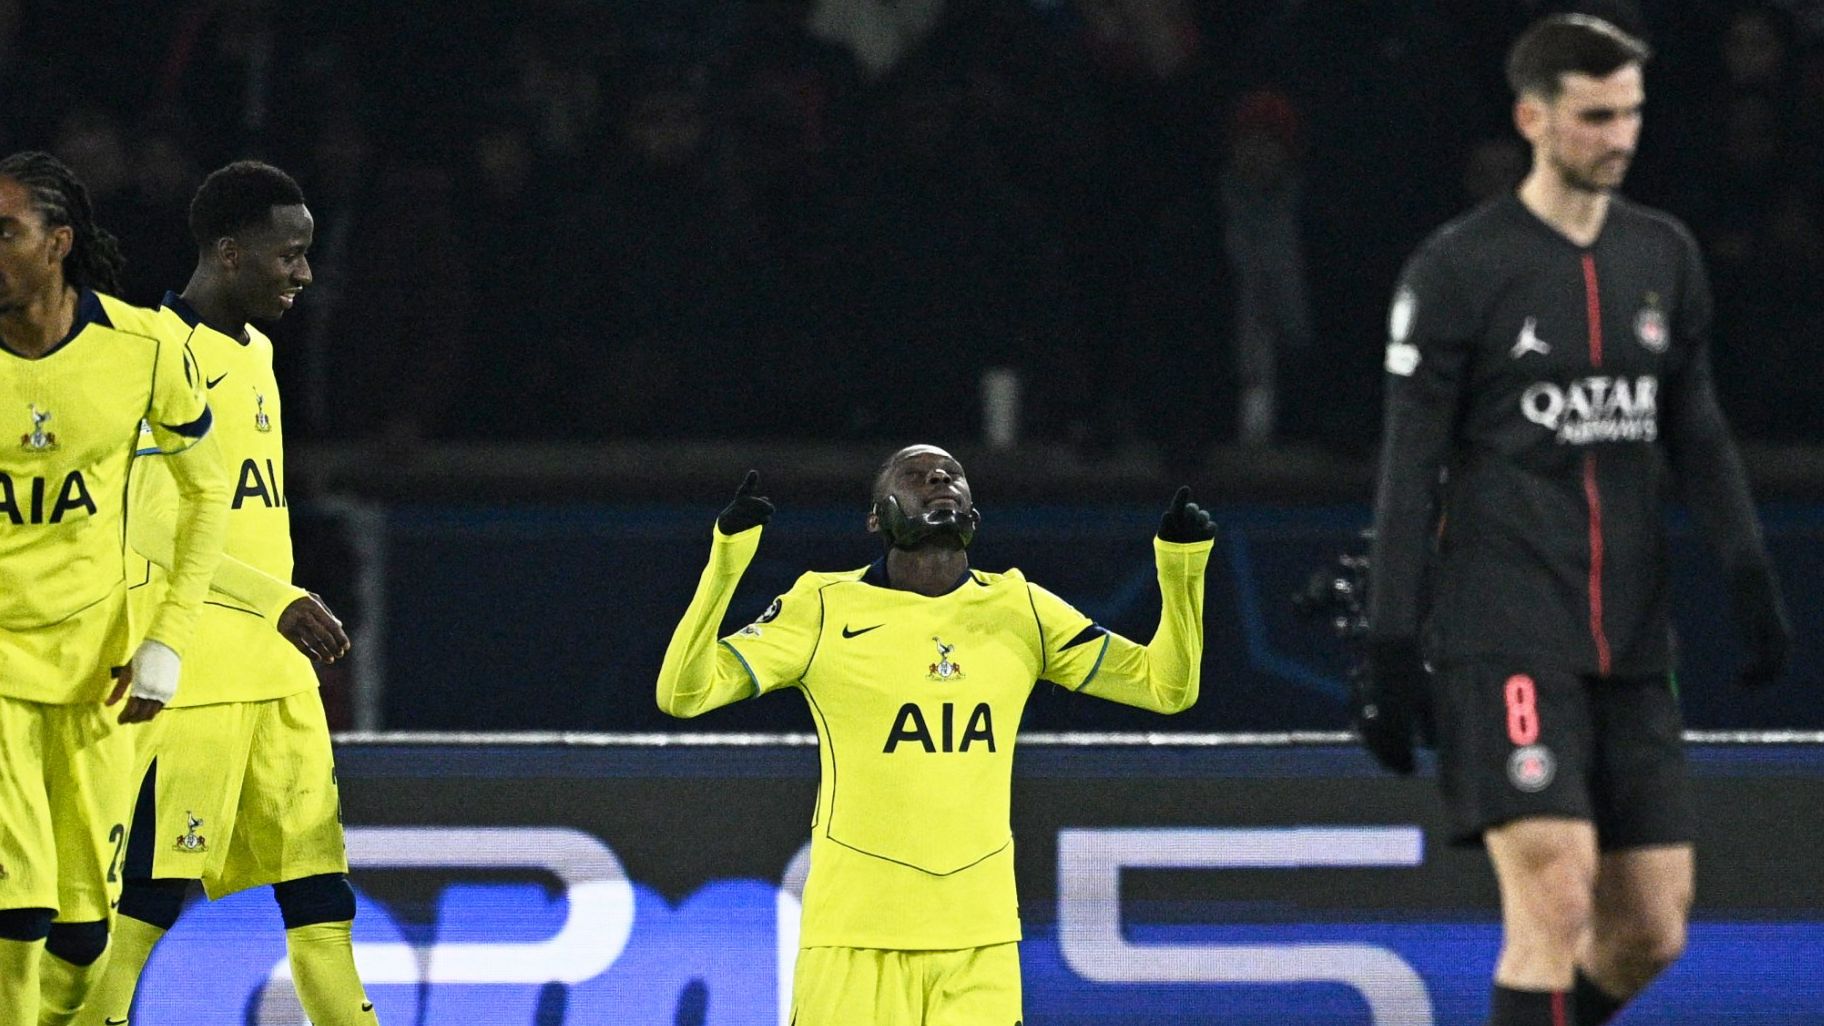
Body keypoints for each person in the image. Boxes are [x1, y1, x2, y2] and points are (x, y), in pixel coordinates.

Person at [1364, 15, 1791, 1026]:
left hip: (1633, 644)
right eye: (1597, 116)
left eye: (1632, 112)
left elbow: (1698, 434)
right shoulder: (1458, 270)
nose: (1621, 135)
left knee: (1651, 929)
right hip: (1505, 629)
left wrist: (1750, 579)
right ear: (1533, 119)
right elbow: (1408, 470)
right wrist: (1390, 646)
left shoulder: (1664, 256)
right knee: (1554, 899)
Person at [657, 444, 1216, 1024]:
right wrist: (726, 563)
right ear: (878, 517)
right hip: (855, 941)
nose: (939, 480)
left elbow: (1166, 687)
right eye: (916, 476)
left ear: (974, 509)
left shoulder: (1020, 608)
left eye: (952, 474)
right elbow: (684, 692)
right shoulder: (820, 605)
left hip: (981, 944)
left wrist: (1181, 568)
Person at [74, 161, 378, 1026]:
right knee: (151, 893)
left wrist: (278, 611)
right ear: (230, 253)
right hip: (194, 667)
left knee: (320, 892)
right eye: (290, 255)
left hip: (279, 678)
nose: (305, 274)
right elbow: (151, 529)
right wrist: (272, 597)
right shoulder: (153, 357)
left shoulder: (263, 355)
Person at [0, 150, 229, 1026]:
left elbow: (206, 492)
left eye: (5, 232)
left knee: (82, 932)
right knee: (16, 907)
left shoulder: (145, 348)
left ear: (57, 243)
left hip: (102, 665)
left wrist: (169, 637)